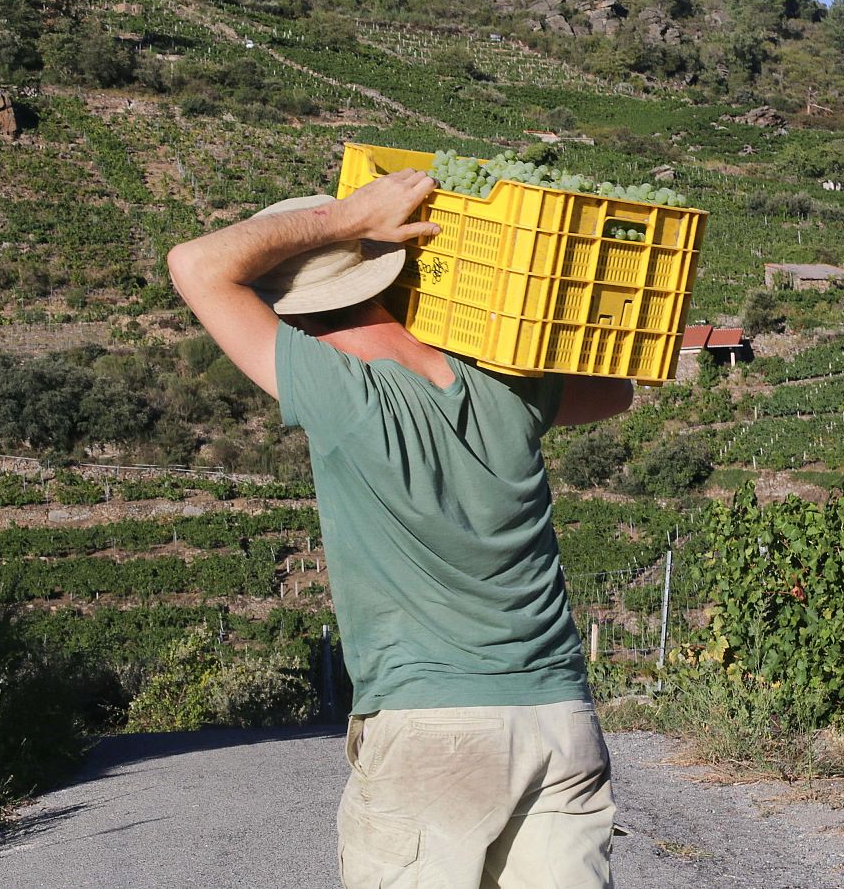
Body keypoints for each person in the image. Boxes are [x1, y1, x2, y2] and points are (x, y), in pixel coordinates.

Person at [167, 168, 633, 888]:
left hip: (433, 729)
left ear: (290, 308)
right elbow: (616, 390)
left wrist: (345, 218)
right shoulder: (503, 383)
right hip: (559, 718)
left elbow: (193, 264)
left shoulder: (338, 392)